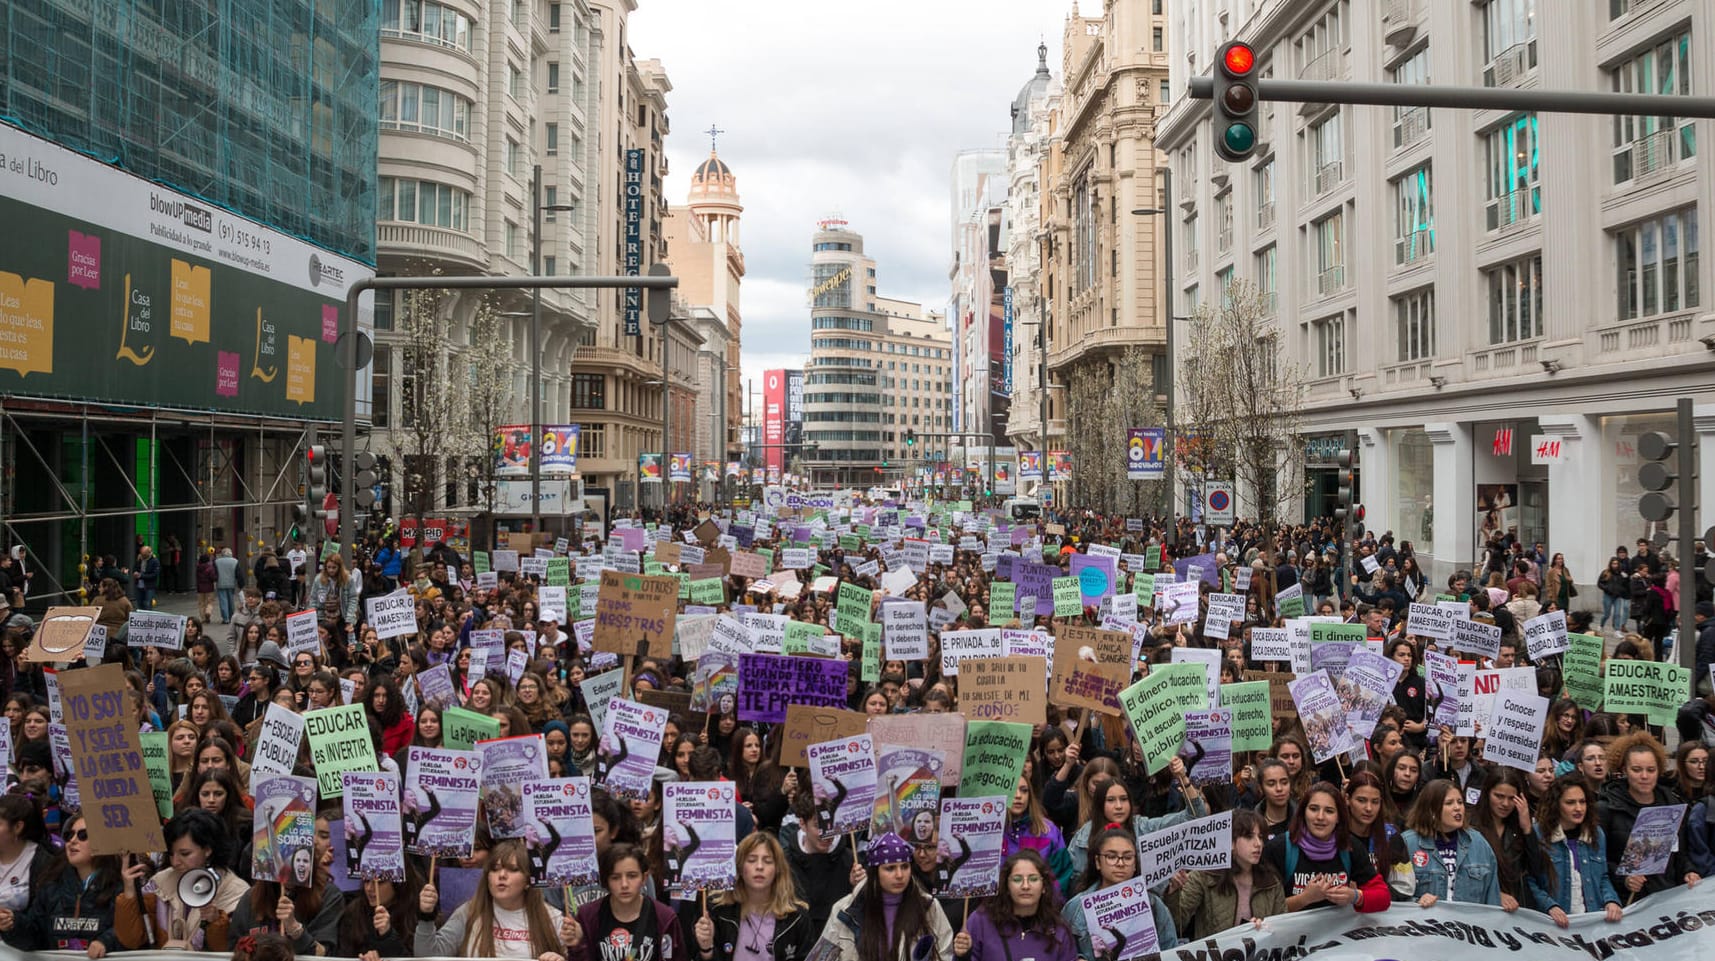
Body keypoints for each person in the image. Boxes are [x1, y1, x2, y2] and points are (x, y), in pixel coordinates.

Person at [114, 808, 251, 950]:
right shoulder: (159, 883)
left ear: (208, 850)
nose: (175, 862)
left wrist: (216, 922)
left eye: (185, 853)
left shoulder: (236, 891)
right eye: (171, 854)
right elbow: (132, 940)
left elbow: (231, 950)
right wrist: (129, 893)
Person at [418, 838, 576, 959]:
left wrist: (558, 959)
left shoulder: (552, 918)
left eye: (513, 869)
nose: (501, 875)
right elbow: (427, 956)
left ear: (528, 880)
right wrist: (425, 916)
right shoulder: (469, 912)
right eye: (495, 869)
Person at [819, 833, 954, 961]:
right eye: (890, 868)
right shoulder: (844, 910)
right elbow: (821, 957)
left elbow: (944, 954)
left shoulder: (928, 907)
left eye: (905, 866)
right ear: (875, 872)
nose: (900, 875)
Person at [1598, 733, 1702, 898]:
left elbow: (1680, 854)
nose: (1644, 776)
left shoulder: (1672, 804)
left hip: (1668, 896)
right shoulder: (1606, 809)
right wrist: (1624, 879)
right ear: (1624, 770)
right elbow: (1598, 862)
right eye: (1637, 770)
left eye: (1651, 770)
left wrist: (1689, 872)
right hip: (1629, 902)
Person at [1261, 782, 1389, 913]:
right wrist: (1305, 898)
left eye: (1329, 811)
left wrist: (1355, 896)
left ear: (1339, 817)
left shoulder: (1349, 846)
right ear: (1303, 813)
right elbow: (1264, 909)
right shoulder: (1279, 848)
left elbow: (1383, 897)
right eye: (1314, 809)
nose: (1320, 817)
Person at [1165, 809, 1286, 942]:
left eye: (1261, 837)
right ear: (1231, 842)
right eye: (1249, 836)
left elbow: (1282, 932)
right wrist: (1173, 892)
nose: (1258, 844)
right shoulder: (1205, 876)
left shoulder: (1271, 882)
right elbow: (1176, 924)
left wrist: (1265, 930)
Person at [699, 832, 817, 961]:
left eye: (767, 861)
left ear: (777, 869)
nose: (759, 867)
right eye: (751, 860)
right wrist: (706, 949)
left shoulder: (797, 918)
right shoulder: (718, 911)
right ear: (739, 867)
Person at [1063, 826, 1178, 956]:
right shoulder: (1075, 908)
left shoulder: (1154, 904)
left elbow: (1171, 951)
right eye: (1111, 857)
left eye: (1128, 857)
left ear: (1135, 864)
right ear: (1098, 862)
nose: (1120, 863)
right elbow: (1060, 954)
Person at [1527, 776, 1625, 928]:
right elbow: (1530, 880)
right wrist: (1549, 906)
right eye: (1570, 802)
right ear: (1556, 804)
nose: (1578, 808)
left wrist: (1611, 900)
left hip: (1592, 922)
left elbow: (1603, 877)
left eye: (1582, 801)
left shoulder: (1596, 834)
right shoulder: (1539, 835)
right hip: (1554, 926)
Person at [566, 842, 686, 961]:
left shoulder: (664, 917)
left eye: (632, 876)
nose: (624, 884)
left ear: (644, 878)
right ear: (606, 880)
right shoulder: (588, 916)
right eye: (615, 877)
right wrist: (577, 945)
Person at [950, 850, 1078, 961]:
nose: (1026, 886)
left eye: (1033, 879)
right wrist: (962, 956)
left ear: (1044, 886)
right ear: (1007, 886)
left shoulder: (1059, 930)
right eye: (1017, 879)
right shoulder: (980, 921)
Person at [1400, 779, 1502, 907]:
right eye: (1449, 803)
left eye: (1460, 802)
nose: (1457, 808)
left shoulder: (1478, 843)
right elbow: (1395, 897)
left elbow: (1492, 898)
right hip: (1424, 924)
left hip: (1468, 925)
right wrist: (1417, 901)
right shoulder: (1408, 843)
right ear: (1431, 810)